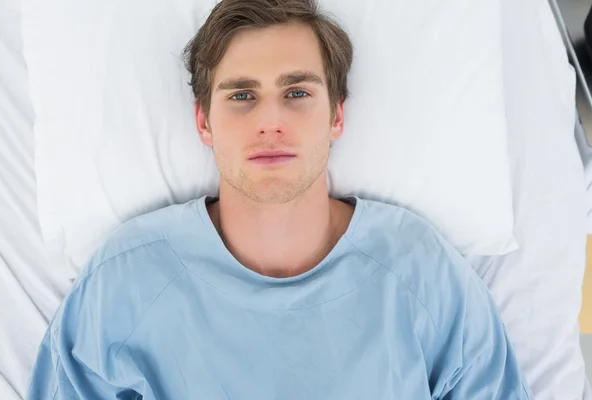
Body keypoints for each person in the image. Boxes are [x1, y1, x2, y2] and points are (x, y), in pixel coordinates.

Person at [27, 0, 532, 398]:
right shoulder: (126, 279)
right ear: (204, 123)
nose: (271, 122)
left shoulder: (420, 270)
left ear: (336, 115)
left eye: (297, 93)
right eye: (242, 96)